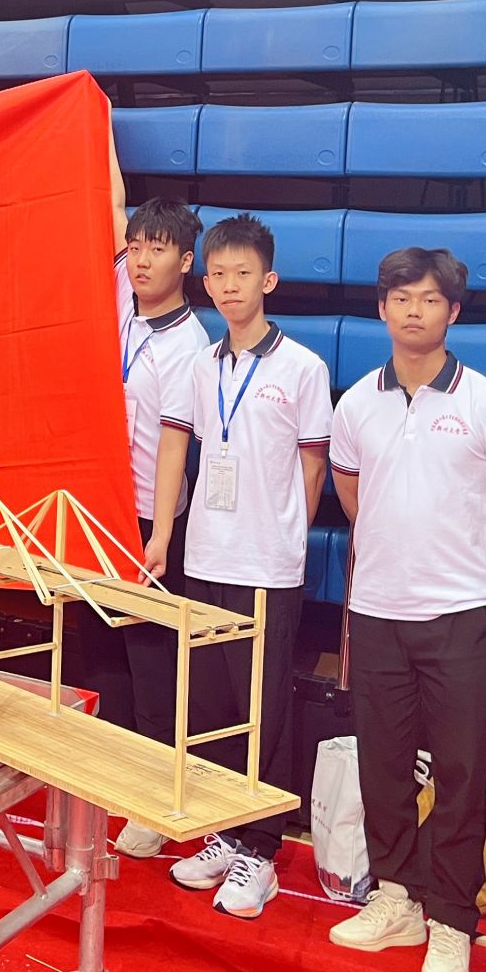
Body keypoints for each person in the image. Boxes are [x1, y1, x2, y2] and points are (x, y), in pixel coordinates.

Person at [325, 248, 486, 972]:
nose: (413, 310)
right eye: (400, 298)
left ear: (453, 311)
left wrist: (461, 567)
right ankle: (394, 898)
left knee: (459, 769)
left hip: (459, 616)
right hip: (376, 612)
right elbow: (354, 497)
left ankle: (450, 919)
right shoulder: (356, 404)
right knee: (383, 764)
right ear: (381, 308)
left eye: (427, 299)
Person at [146, 213, 332, 918]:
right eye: (218, 274)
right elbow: (174, 448)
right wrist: (164, 533)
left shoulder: (303, 368)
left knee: (263, 708)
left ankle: (262, 848)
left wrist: (285, 534)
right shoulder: (201, 365)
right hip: (206, 552)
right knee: (214, 704)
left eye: (242, 274)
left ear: (269, 281)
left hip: (267, 564)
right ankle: (224, 832)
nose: (229, 286)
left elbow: (312, 467)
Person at [99, 199, 209, 861]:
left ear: (186, 261)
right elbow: (113, 204)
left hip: (147, 511)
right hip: (97, 503)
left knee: (152, 660)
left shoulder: (188, 345)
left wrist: (161, 534)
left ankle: (153, 800)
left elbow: (174, 446)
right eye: (137, 247)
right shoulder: (121, 291)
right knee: (101, 649)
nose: (141, 260)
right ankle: (110, 777)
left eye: (158, 249)